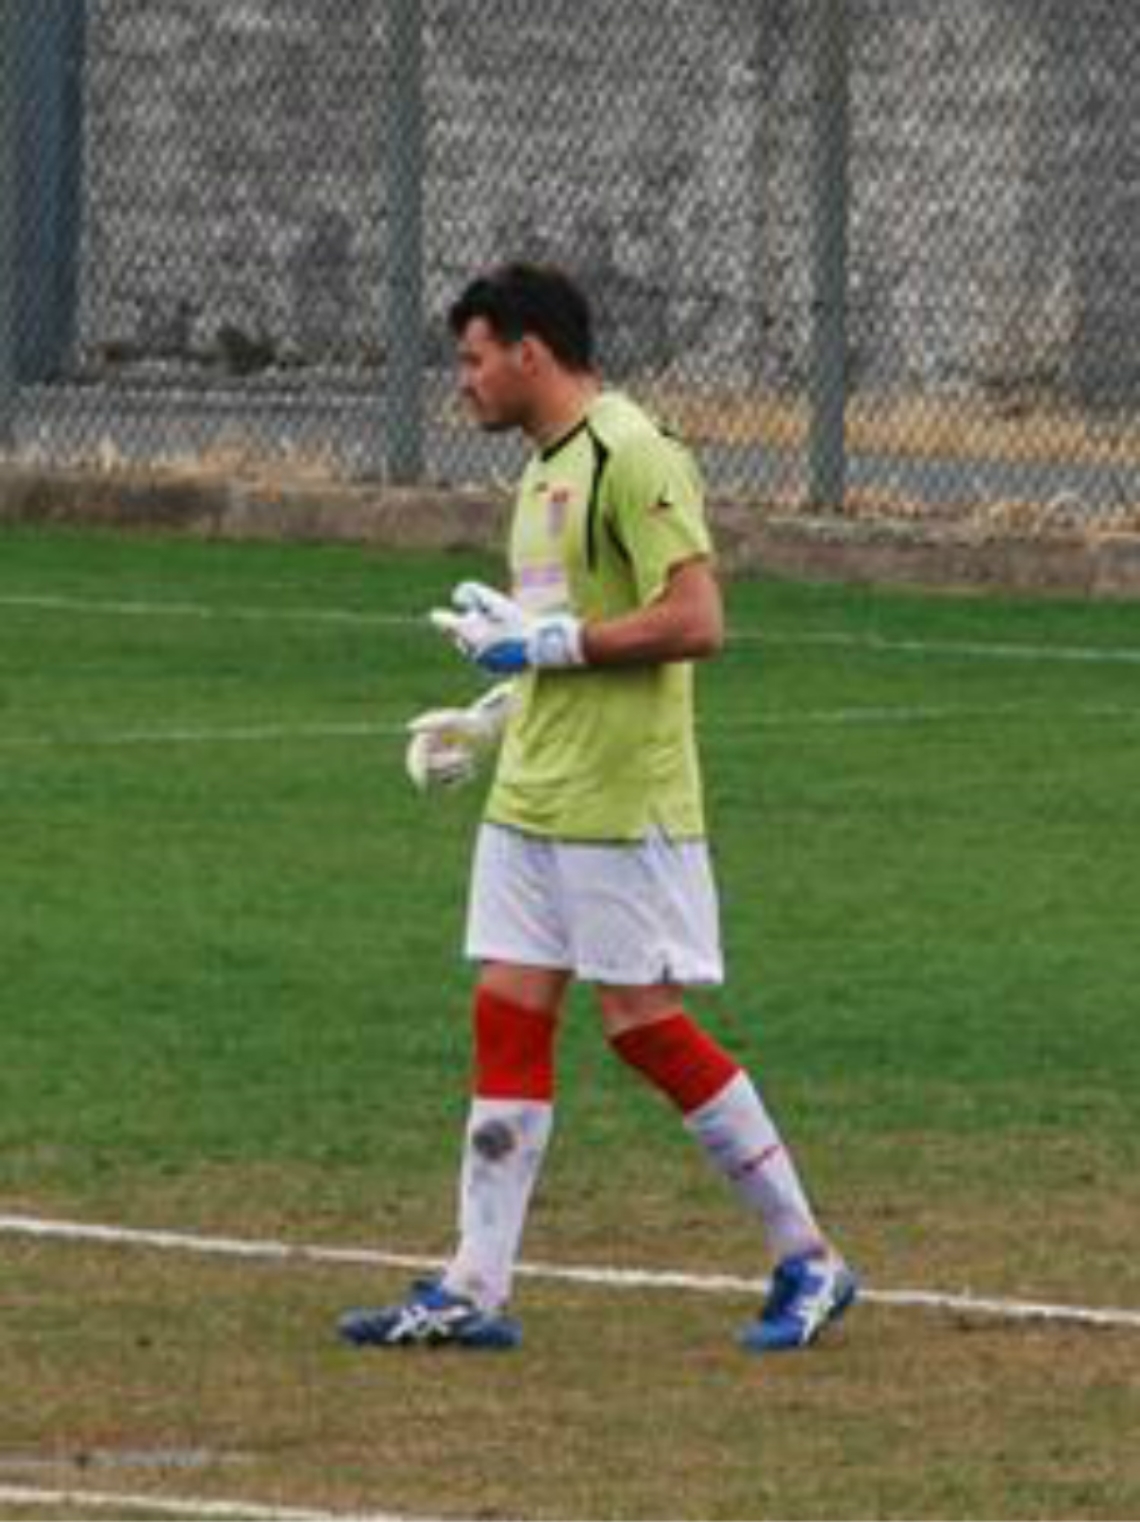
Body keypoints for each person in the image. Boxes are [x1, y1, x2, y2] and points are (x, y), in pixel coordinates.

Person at [339, 262, 856, 1354]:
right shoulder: (538, 474)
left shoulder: (635, 453)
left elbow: (696, 619)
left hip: (622, 803)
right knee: (506, 1010)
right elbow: (554, 641)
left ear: (531, 350)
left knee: (642, 1025)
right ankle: (474, 1286)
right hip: (534, 796)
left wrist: (549, 645)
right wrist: (490, 713)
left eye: (474, 358)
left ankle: (809, 1257)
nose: (463, 382)